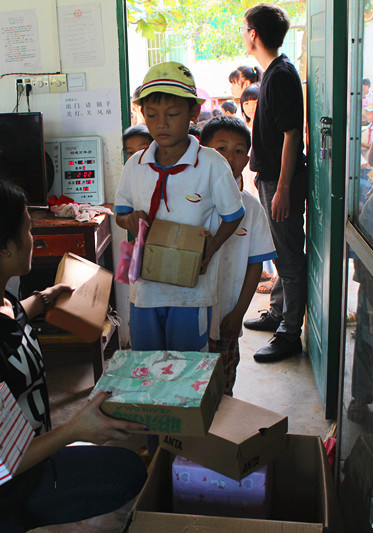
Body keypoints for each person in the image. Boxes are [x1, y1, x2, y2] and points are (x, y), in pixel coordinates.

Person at [0, 180, 147, 532]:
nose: (33, 237)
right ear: (3, 247)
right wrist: (76, 429)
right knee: (124, 476)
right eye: (27, 229)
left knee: (128, 469)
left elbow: (10, 320)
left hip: (23, 461)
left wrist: (45, 298)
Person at [114, 60, 244, 354]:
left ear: (193, 112)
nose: (161, 123)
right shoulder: (135, 165)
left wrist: (213, 247)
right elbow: (121, 214)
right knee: (146, 364)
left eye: (172, 114)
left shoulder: (211, 164)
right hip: (145, 292)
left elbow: (234, 215)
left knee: (186, 367)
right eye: (151, 114)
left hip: (191, 293)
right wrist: (130, 220)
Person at [240, 3, 308, 363]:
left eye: (244, 29)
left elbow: (291, 135)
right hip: (271, 179)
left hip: (282, 183)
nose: (244, 35)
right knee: (280, 251)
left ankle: (289, 334)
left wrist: (282, 189)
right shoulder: (272, 72)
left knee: (289, 259)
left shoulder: (280, 74)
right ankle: (278, 312)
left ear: (253, 34)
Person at [201, 116, 276, 395]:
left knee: (222, 388)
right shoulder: (189, 199)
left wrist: (239, 314)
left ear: (247, 159)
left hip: (226, 317)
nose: (229, 158)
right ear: (202, 150)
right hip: (188, 314)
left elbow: (255, 265)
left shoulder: (251, 208)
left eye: (239, 151)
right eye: (221, 148)